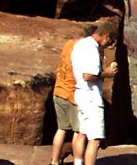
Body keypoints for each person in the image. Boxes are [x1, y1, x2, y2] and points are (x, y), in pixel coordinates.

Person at [71, 20, 119, 165]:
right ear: (106, 36)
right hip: (90, 95)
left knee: (82, 134)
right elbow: (88, 75)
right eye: (110, 41)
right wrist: (107, 74)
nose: (109, 45)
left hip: (80, 92)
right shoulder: (92, 48)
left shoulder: (80, 44)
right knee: (95, 139)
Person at [50, 28, 90, 165]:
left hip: (58, 91)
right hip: (73, 95)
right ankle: (77, 162)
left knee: (61, 129)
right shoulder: (84, 51)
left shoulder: (68, 44)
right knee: (78, 132)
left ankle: (54, 162)